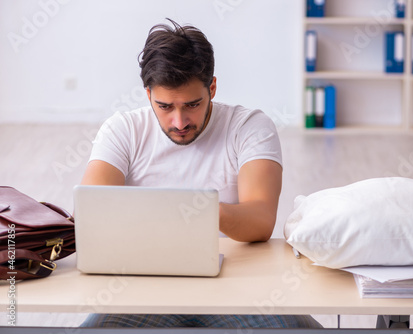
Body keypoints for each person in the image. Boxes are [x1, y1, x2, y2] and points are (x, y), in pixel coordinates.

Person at [80, 19, 322, 329]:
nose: (179, 121)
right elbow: (93, 216)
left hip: (238, 287)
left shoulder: (249, 127)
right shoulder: (122, 130)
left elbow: (261, 220)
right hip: (142, 289)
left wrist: (191, 212)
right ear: (147, 94)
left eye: (192, 104)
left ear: (212, 88)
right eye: (165, 106)